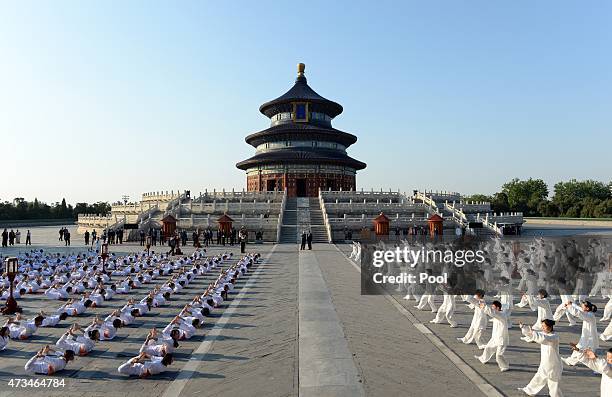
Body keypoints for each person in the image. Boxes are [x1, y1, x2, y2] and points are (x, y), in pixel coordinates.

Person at [518, 319, 563, 397]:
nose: (542, 328)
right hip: (545, 363)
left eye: (544, 326)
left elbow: (543, 339)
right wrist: (524, 328)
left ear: (550, 327)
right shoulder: (543, 334)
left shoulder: (554, 336)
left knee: (553, 384)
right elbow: (532, 336)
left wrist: (533, 333)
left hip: (554, 364)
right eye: (542, 326)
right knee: (539, 377)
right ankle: (528, 390)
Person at [474, 300, 509, 372]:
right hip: (495, 338)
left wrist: (485, 307)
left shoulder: (502, 315)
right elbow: (492, 313)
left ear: (498, 308)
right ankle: (483, 359)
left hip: (501, 340)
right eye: (492, 307)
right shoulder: (497, 315)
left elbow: (493, 313)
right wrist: (483, 308)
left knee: (498, 356)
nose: (492, 308)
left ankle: (505, 366)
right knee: (488, 348)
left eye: (493, 307)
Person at [562, 300, 599, 366]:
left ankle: (598, 368)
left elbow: (579, 313)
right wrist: (572, 304)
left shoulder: (589, 316)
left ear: (587, 308)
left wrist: (570, 307)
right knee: (579, 348)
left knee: (590, 354)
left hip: (590, 339)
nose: (581, 307)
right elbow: (580, 310)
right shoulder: (587, 312)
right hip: (586, 337)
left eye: (583, 306)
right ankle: (570, 361)